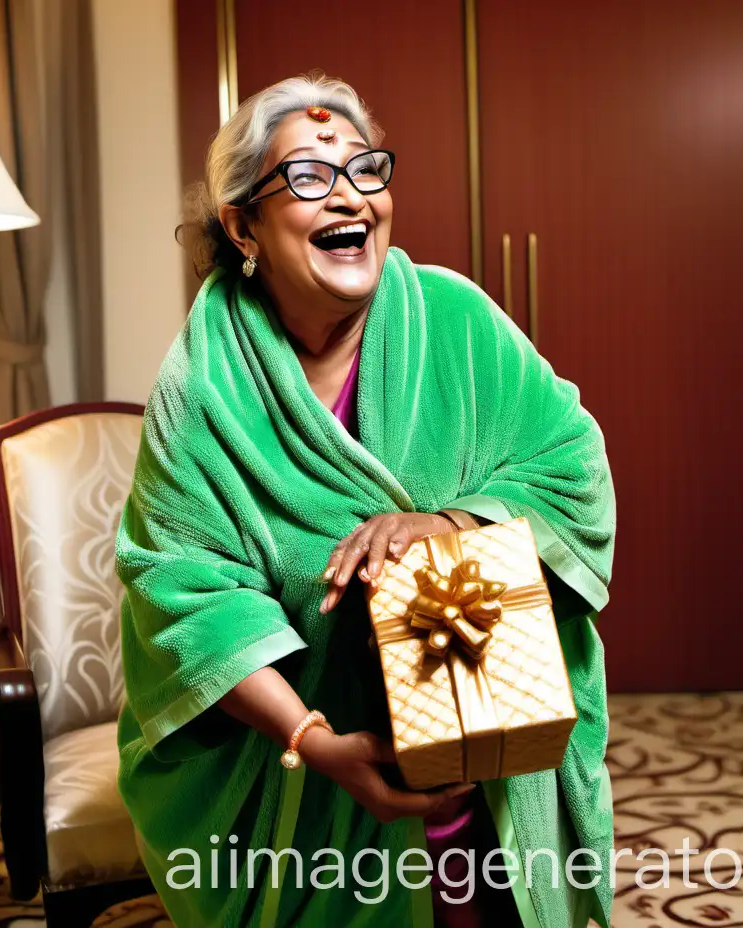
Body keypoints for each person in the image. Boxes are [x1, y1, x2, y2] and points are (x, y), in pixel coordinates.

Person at [115, 73, 617, 927]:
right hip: (306, 767)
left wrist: (450, 522)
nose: (350, 197)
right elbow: (181, 587)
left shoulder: (455, 319)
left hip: (484, 729)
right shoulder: (202, 385)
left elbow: (572, 464)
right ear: (243, 226)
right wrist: (312, 742)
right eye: (309, 179)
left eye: (367, 170)